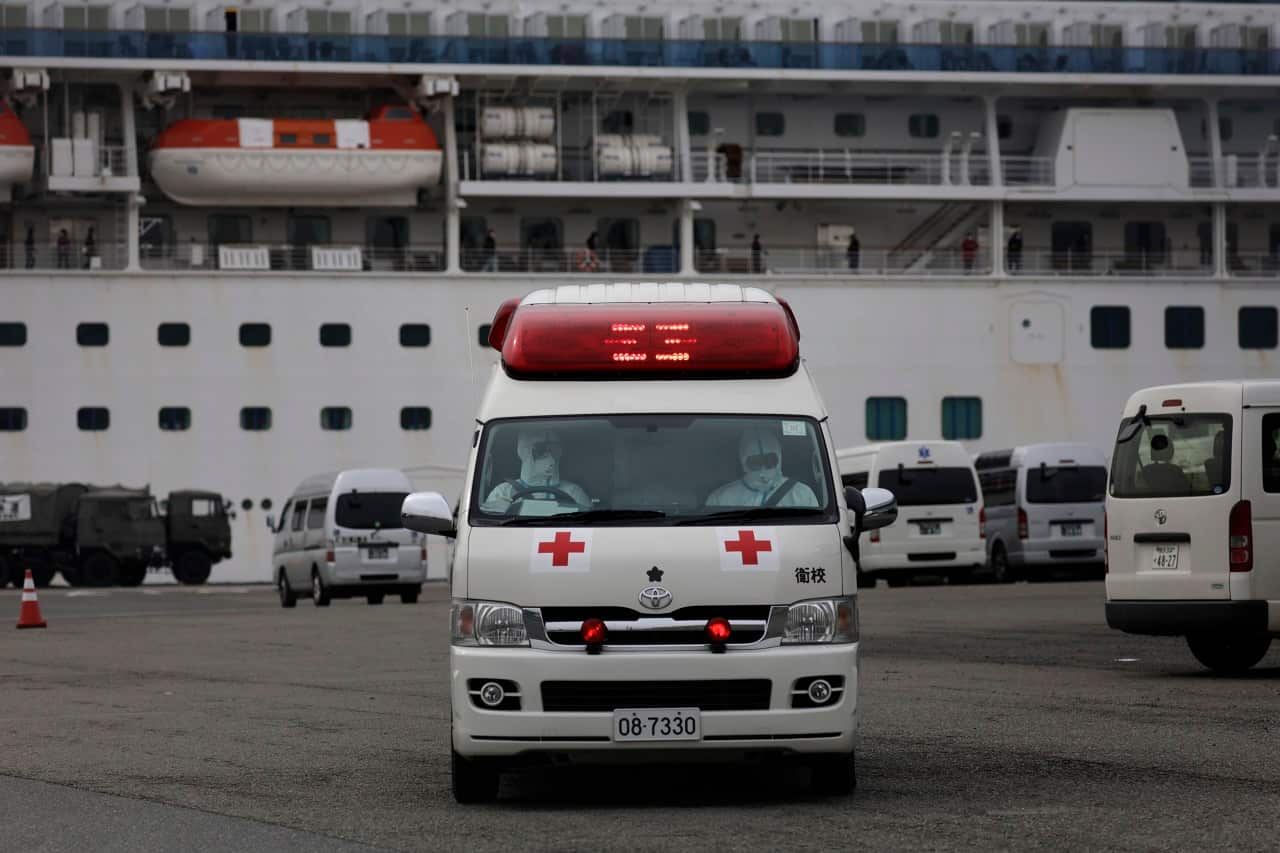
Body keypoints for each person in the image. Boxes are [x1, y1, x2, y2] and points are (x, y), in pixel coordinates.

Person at [706, 426, 819, 508]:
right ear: (743, 462)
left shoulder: (801, 494)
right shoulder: (721, 499)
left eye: (769, 460)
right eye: (755, 462)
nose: (763, 469)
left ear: (779, 458)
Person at [483, 428, 591, 512]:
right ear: (525, 452)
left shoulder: (573, 492)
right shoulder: (504, 492)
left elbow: (589, 525)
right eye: (542, 450)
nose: (551, 460)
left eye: (555, 450)